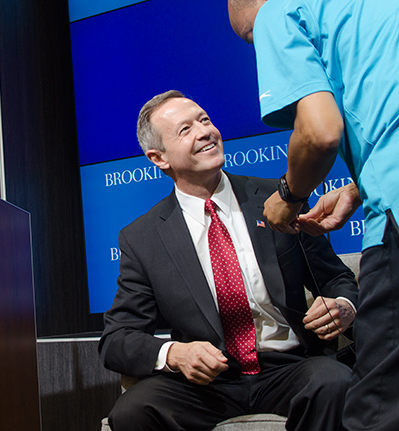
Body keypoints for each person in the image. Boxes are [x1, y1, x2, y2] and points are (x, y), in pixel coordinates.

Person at [99, 91, 359, 431]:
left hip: (290, 368)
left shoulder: (280, 200)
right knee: (133, 411)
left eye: (205, 120)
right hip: (207, 384)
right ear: (158, 158)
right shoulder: (143, 238)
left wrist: (342, 304)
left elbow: (337, 279)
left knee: (335, 382)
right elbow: (118, 339)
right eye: (185, 129)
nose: (205, 131)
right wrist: (176, 354)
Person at [227, 1, 399, 429]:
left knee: (378, 410)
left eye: (250, 40)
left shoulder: (277, 13)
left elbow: (320, 131)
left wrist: (289, 194)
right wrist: (360, 187)